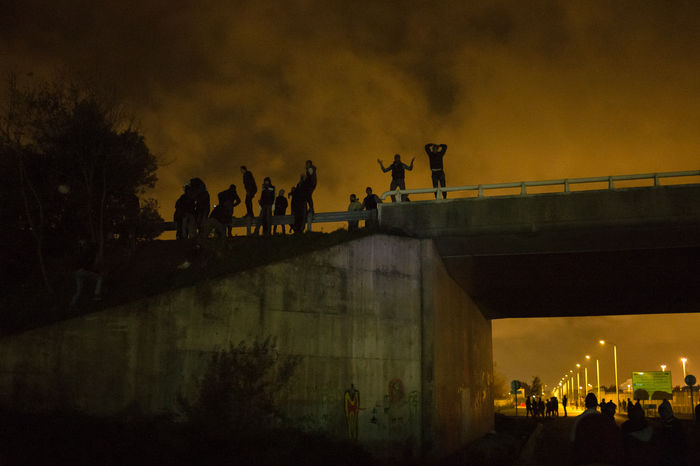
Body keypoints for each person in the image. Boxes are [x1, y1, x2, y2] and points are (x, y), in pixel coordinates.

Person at [570, 393, 624, 465]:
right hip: (602, 457)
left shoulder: (578, 419)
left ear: (585, 405)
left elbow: (573, 440)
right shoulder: (604, 418)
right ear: (596, 404)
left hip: (585, 457)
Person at [70, 241, 103, 306]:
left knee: (79, 290)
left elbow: (86, 265)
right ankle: (96, 295)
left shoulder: (81, 252)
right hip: (82, 271)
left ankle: (72, 304)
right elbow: (88, 266)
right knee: (99, 278)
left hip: (77, 272)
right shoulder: (89, 253)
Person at [656, 399, 686, 466]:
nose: (661, 415)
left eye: (662, 413)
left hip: (673, 454)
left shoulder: (672, 424)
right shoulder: (674, 423)